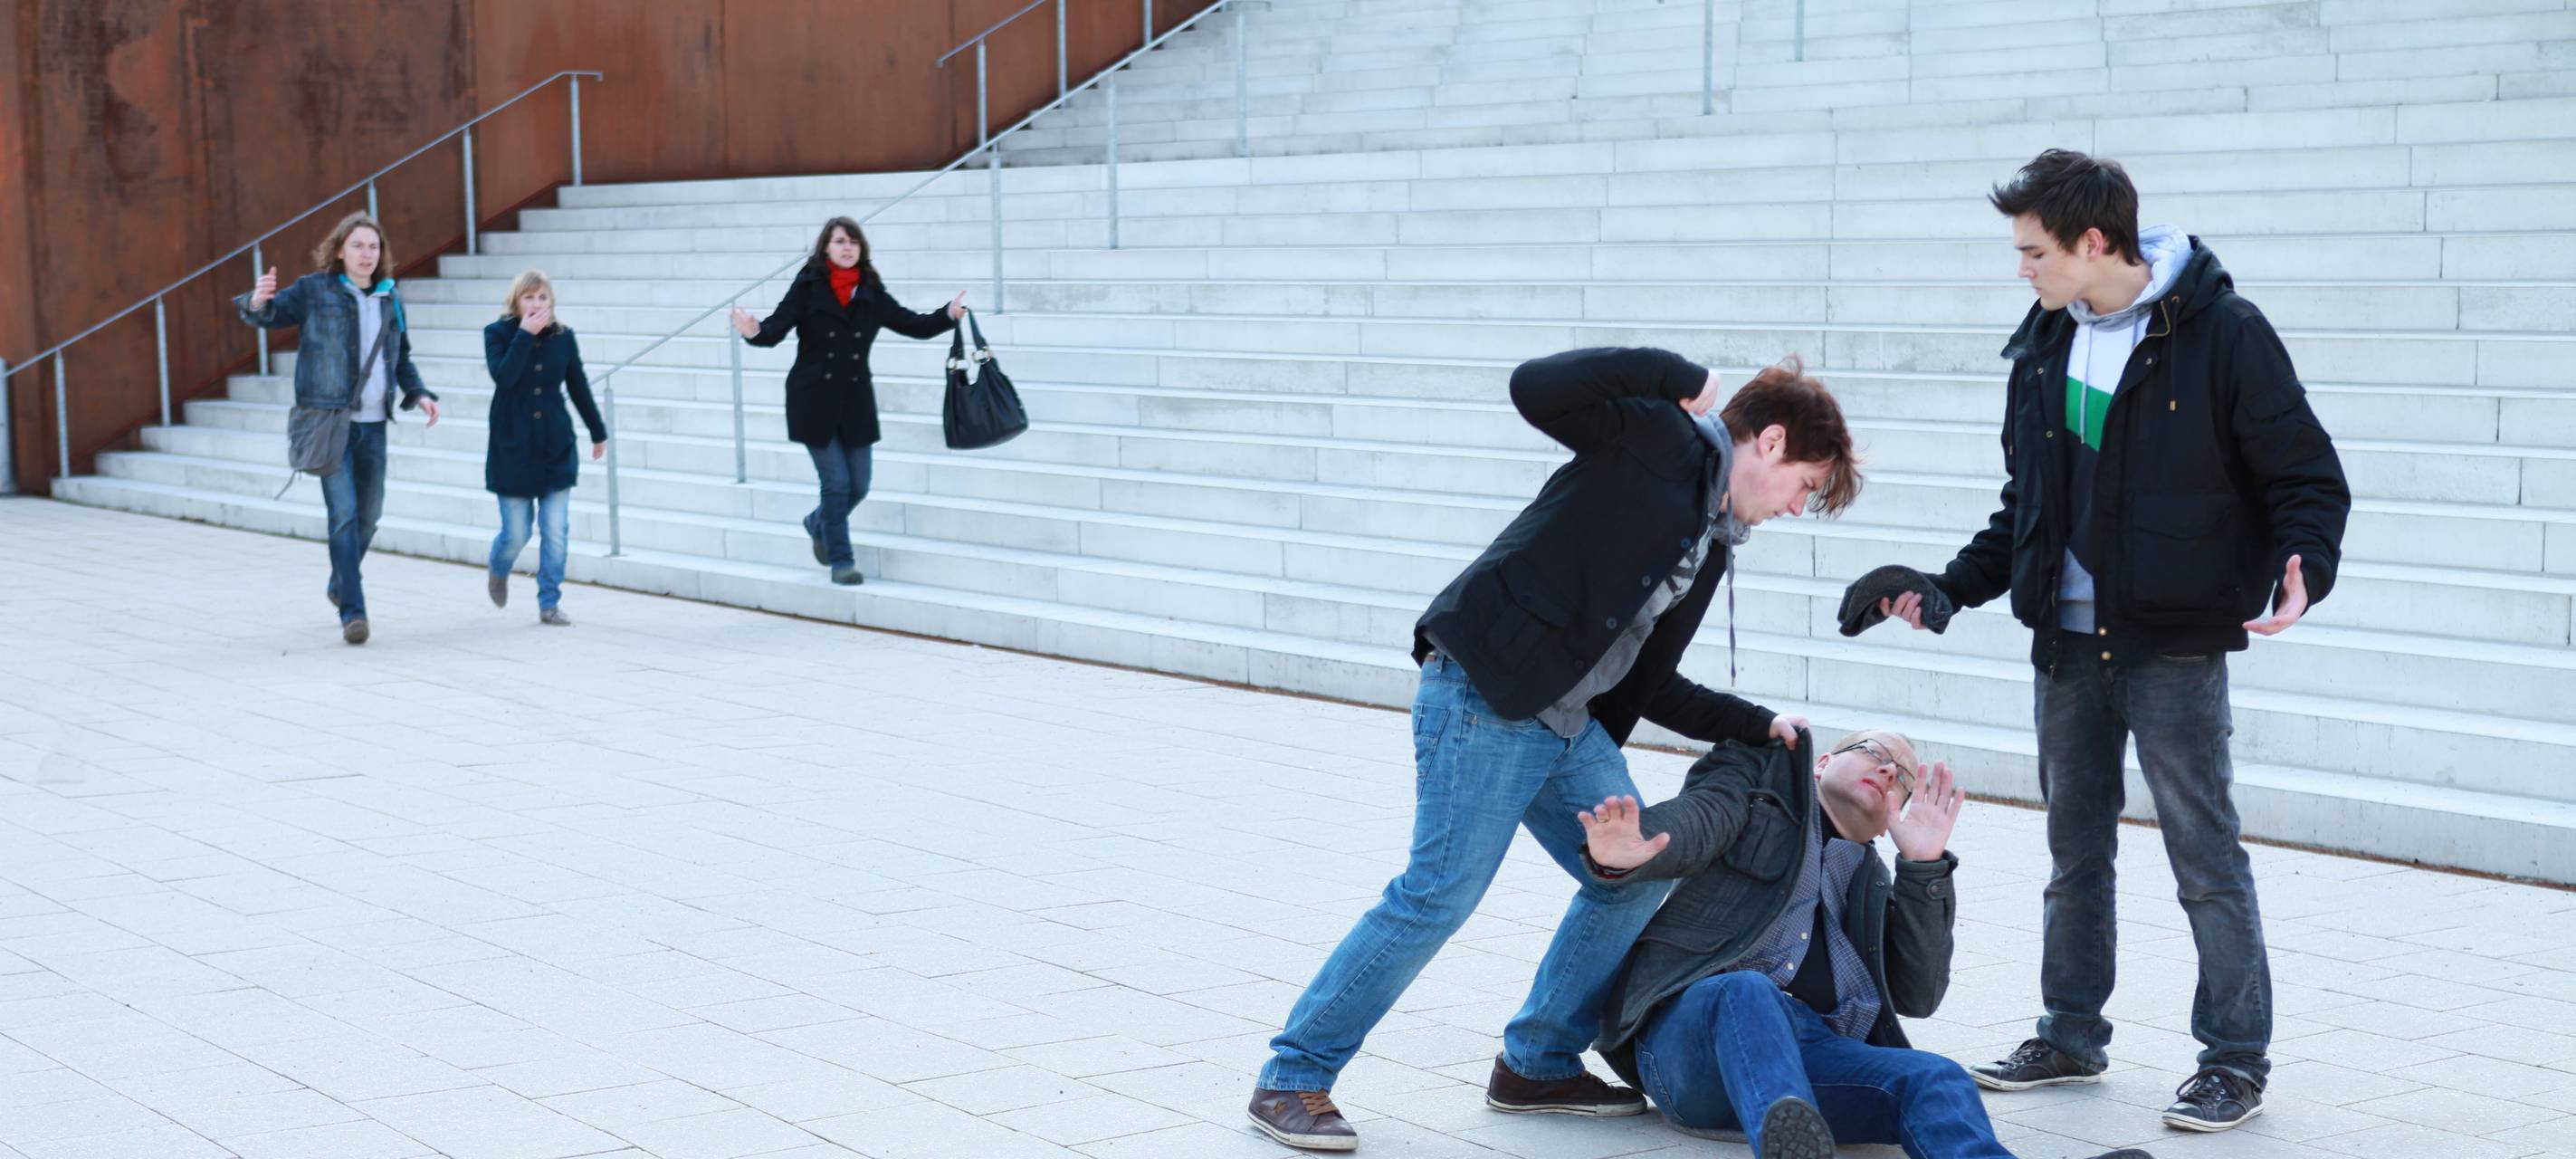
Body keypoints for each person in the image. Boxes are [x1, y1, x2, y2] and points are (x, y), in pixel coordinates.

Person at [1248, 349, 1864, 1152]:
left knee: (1636, 869)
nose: (1796, 507)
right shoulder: (1660, 443)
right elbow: (1534, 388)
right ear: (1772, 442)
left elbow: (1649, 680)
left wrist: (1756, 722)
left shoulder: (1710, 543)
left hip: (1563, 726)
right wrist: (1675, 376)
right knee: (1437, 895)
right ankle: (1292, 1075)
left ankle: (1535, 1063)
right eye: (1805, 486)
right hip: (1485, 695)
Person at [1865, 149, 2351, 1133]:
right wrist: (1948, 588)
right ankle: (2070, 1033)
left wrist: (2306, 562)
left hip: (2173, 643)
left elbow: (2304, 471)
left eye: (2033, 251)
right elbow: (2026, 504)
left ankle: (2233, 1059)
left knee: (2204, 856)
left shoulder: (2221, 331)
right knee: (2072, 852)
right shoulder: (2047, 340)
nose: (2022, 269)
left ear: (2093, 242)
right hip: (2065, 643)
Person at [1571, 730, 2152, 1159]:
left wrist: (1923, 868)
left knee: (1935, 1075)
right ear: (1823, 762)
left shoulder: (1872, 883)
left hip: (1814, 1053)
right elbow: (1697, 821)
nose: (1890, 770)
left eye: (1904, 778)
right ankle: (1788, 1145)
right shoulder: (1756, 808)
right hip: (1694, 1045)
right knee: (1745, 990)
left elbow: (1919, 995)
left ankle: (1799, 1136)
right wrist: (1630, 850)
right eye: (1875, 752)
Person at [236, 211, 441, 646]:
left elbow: (401, 356)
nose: (367, 254)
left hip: (375, 425)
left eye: (373, 247)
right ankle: (354, 612)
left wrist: (419, 393)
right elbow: (269, 315)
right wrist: (257, 301)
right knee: (344, 514)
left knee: (370, 515)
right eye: (357, 246)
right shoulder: (315, 290)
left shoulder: (390, 297)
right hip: (331, 422)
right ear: (340, 251)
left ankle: (340, 583)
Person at [730, 216, 962, 586]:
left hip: (855, 400)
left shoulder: (869, 289)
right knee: (836, 483)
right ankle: (841, 560)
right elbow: (776, 327)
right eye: (839, 241)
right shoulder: (808, 285)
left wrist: (947, 314)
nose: (847, 247)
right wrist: (754, 331)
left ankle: (817, 522)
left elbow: (912, 324)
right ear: (826, 247)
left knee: (859, 485)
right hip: (812, 399)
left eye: (853, 241)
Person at [483, 271, 607, 626]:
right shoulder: (497, 333)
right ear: (516, 301)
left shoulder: (564, 337)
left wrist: (597, 430)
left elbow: (578, 385)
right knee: (516, 533)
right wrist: (524, 335)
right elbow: (504, 377)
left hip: (555, 445)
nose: (536, 304)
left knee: (555, 530)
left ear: (551, 302)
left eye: (542, 298)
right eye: (529, 297)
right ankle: (499, 567)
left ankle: (549, 602)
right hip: (513, 447)